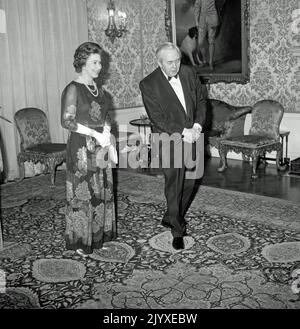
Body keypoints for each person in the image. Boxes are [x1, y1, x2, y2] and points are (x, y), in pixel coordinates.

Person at [139, 42, 206, 250]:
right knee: (174, 186)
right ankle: (177, 230)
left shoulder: (188, 73)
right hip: (168, 140)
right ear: (159, 63)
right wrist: (183, 131)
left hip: (193, 136)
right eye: (170, 62)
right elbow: (157, 118)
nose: (175, 66)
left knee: (190, 182)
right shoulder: (148, 84)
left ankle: (170, 216)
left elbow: (202, 101)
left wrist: (196, 125)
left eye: (177, 60)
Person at [61, 42, 117, 257]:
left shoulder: (99, 89)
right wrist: (94, 134)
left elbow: (106, 116)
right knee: (82, 193)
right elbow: (66, 121)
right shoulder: (73, 89)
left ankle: (98, 237)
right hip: (81, 147)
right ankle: (80, 241)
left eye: (100, 62)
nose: (99, 67)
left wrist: (106, 133)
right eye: (95, 62)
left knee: (101, 189)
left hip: (100, 144)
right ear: (83, 63)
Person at [194, 0, 224, 71]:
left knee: (211, 41)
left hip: (213, 19)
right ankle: (204, 60)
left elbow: (220, 4)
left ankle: (211, 62)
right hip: (202, 20)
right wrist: (196, 21)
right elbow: (197, 7)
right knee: (200, 42)